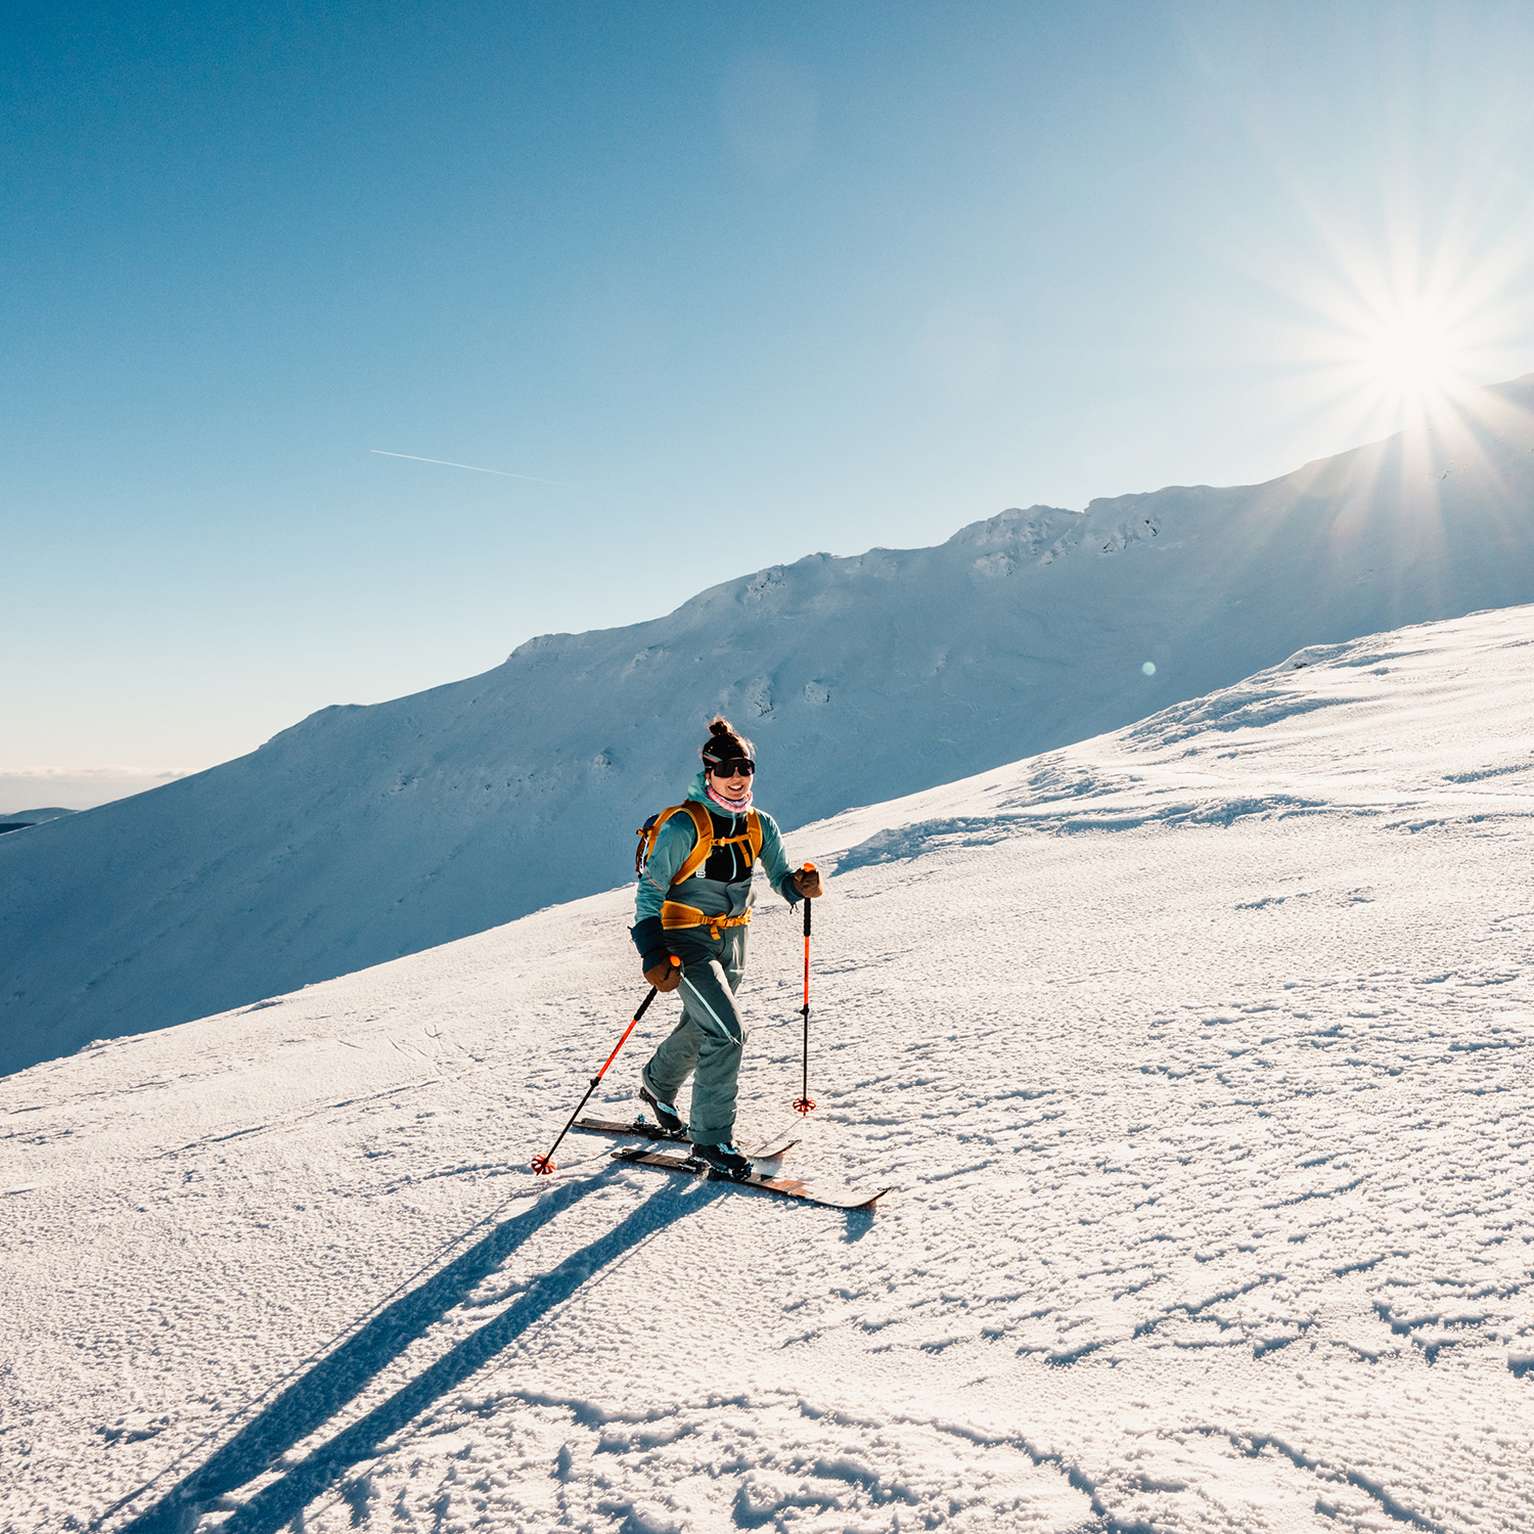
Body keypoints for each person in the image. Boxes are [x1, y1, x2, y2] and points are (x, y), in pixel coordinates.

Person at [630, 716, 822, 1179]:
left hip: (734, 941)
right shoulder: (683, 826)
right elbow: (649, 893)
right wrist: (653, 952)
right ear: (708, 772)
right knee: (728, 1032)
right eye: (728, 769)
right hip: (684, 940)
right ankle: (711, 1140)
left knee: (703, 1027)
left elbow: (779, 877)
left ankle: (656, 1086)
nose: (738, 778)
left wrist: (800, 884)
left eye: (746, 768)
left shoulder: (760, 824)